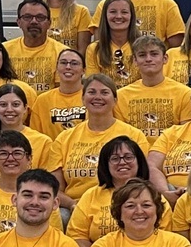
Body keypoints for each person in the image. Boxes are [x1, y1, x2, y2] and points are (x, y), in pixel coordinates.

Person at [55, 74, 147, 205]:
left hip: (122, 203)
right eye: (92, 92)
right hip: (75, 205)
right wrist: (73, 205)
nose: (97, 97)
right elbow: (55, 189)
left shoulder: (134, 135)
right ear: (83, 99)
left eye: (104, 92)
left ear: (115, 100)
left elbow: (142, 178)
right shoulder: (64, 138)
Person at [0, 131, 62, 240]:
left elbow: (54, 239)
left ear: (29, 159)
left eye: (17, 153)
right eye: (4, 154)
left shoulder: (43, 198)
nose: (11, 158)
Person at [0, 85, 62, 191]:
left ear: (25, 108)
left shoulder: (43, 142)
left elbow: (45, 186)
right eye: (3, 105)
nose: (9, 109)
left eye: (15, 104)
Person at [67, 136, 152, 247]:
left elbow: (163, 235)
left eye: (128, 157)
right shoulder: (91, 195)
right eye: (115, 159)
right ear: (105, 164)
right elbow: (77, 236)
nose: (122, 162)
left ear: (139, 162)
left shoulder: (153, 194)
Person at [115, 35, 191, 141]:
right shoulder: (120, 96)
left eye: (154, 54)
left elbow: (185, 136)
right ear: (135, 61)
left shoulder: (185, 94)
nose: (148, 59)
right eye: (142, 55)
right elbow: (120, 139)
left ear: (165, 59)